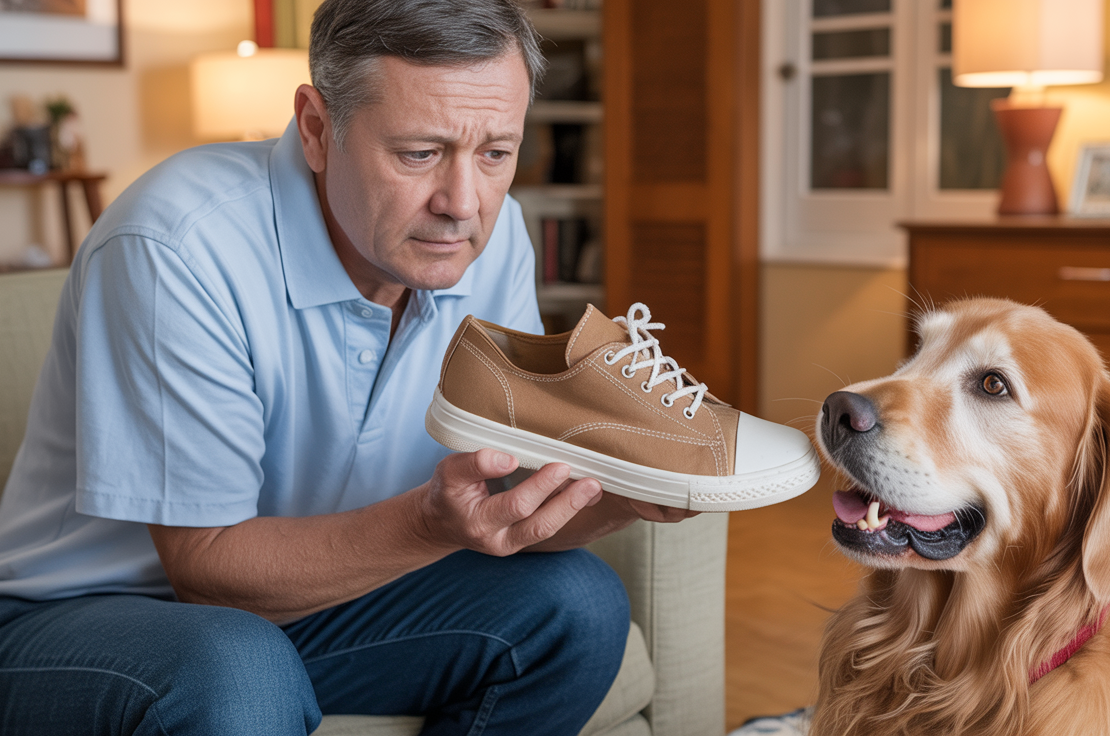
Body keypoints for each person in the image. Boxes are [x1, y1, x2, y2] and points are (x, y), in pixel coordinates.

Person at [0, 1, 692, 733]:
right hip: (80, 621)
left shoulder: (498, 240)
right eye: (419, 153)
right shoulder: (176, 246)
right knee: (237, 665)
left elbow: (495, 508)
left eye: (495, 152)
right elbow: (203, 570)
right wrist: (428, 524)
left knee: (576, 604)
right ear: (317, 129)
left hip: (318, 605)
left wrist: (623, 493)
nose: (463, 205)